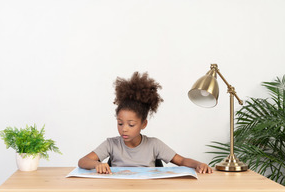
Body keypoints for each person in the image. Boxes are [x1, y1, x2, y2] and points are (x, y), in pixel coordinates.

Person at [78, 72, 213, 174]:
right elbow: (82, 161)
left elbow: (181, 161)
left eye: (131, 124)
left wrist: (198, 164)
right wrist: (96, 165)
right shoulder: (111, 144)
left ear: (143, 124)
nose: (124, 129)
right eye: (120, 123)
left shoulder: (154, 145)